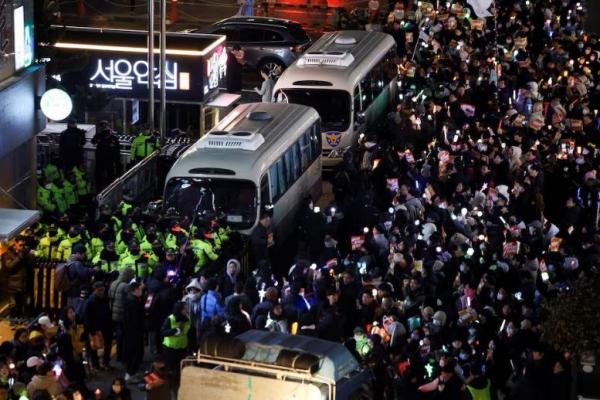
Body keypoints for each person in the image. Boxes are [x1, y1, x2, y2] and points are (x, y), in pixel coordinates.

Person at [0, 236, 33, 318]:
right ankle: (12, 321)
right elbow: (9, 266)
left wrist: (30, 255)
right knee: (13, 305)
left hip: (24, 284)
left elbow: (30, 266)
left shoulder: (25, 253)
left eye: (24, 245)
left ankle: (21, 320)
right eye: (20, 245)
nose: (22, 247)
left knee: (24, 305)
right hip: (12, 285)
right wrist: (20, 256)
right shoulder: (7, 254)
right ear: (15, 244)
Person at [108, 267, 135, 363]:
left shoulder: (114, 283)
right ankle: (123, 355)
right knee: (124, 336)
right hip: (122, 314)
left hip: (114, 313)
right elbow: (130, 299)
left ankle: (118, 354)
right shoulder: (126, 286)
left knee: (119, 334)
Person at [84, 282, 113, 370]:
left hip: (106, 326)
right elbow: (87, 317)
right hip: (96, 328)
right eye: (99, 290)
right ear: (94, 290)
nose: (101, 292)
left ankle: (106, 362)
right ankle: (95, 364)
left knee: (108, 345)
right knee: (95, 347)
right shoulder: (90, 301)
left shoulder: (105, 298)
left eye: (102, 290)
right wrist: (92, 330)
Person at [161, 302, 190, 379]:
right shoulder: (170, 319)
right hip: (170, 348)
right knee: (170, 369)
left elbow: (190, 332)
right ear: (180, 310)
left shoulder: (188, 318)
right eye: (185, 308)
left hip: (182, 347)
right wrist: (173, 331)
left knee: (179, 368)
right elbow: (163, 332)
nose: (187, 309)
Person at [122, 281, 145, 382]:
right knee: (137, 353)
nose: (142, 291)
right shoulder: (134, 302)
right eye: (140, 289)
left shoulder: (129, 299)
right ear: (136, 290)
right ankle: (130, 374)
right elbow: (136, 319)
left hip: (129, 331)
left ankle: (131, 373)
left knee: (133, 353)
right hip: (135, 332)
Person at [91, 121, 121, 190]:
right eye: (103, 127)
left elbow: (117, 149)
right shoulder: (99, 135)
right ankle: (99, 189)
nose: (104, 128)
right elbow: (93, 141)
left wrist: (117, 161)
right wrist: (99, 135)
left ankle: (109, 189)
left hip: (110, 159)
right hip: (100, 158)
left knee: (110, 174)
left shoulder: (113, 137)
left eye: (106, 126)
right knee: (99, 175)